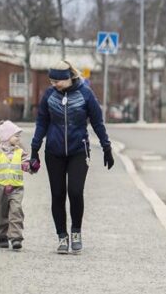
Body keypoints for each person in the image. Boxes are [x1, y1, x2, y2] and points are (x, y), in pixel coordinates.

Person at [30, 60, 114, 254]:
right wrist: (35, 149)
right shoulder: (49, 96)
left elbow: (97, 122)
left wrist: (106, 147)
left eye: (57, 81)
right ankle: (62, 236)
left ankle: (76, 231)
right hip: (54, 152)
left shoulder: (85, 94)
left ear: (69, 78)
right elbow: (41, 122)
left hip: (78, 150)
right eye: (51, 81)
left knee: (75, 192)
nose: (54, 84)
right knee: (57, 195)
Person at [0, 120, 39, 251]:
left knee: (16, 211)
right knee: (1, 213)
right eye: (16, 135)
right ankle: (2, 235)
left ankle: (16, 238)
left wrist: (32, 166)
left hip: (16, 189)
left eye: (19, 135)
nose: (18, 138)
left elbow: (26, 165)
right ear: (6, 137)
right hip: (0, 188)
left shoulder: (20, 152)